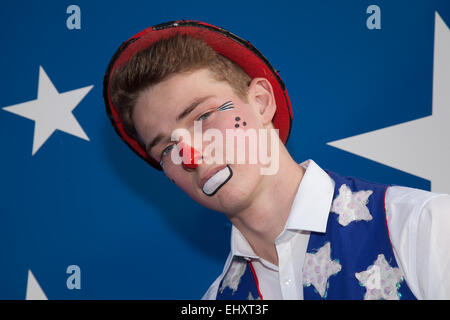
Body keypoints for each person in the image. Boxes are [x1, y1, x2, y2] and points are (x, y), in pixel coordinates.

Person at [103, 20, 450, 300]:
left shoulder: (423, 228)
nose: (190, 156)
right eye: (166, 149)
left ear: (261, 101)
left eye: (203, 116)